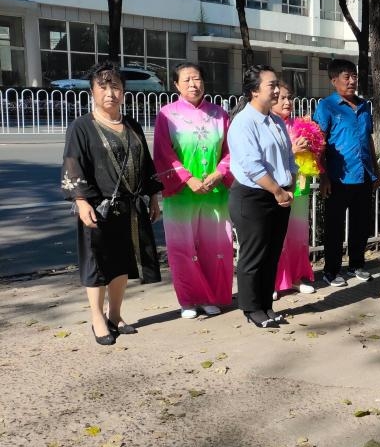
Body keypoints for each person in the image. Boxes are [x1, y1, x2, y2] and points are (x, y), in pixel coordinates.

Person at [61, 62, 161, 345]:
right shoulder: (81, 127)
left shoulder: (132, 125)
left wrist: (153, 196)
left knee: (122, 263)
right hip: (97, 208)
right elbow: (73, 164)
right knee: (98, 265)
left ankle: (115, 315)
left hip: (129, 208)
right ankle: (97, 318)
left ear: (124, 92)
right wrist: (81, 201)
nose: (110, 93)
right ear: (92, 91)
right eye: (103, 87)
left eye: (115, 86)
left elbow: (146, 163)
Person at [153, 62, 233, 320]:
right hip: (181, 193)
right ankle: (189, 298)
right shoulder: (167, 115)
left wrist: (220, 173)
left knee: (216, 245)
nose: (192, 84)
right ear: (176, 85)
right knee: (182, 247)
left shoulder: (220, 114)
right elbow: (163, 154)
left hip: (215, 192)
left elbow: (231, 150)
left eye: (196, 78)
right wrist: (187, 179)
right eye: (186, 80)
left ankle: (211, 297)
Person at [227, 66, 296, 329]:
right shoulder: (244, 123)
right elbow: (252, 166)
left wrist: (289, 184)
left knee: (272, 254)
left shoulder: (276, 121)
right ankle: (251, 307)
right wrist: (277, 191)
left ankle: (266, 304)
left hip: (279, 195)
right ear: (254, 91)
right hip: (253, 197)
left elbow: (287, 157)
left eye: (277, 84)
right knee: (254, 255)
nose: (277, 90)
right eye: (271, 85)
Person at [313, 58, 380, 287]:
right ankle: (331, 270)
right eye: (346, 77)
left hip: (363, 175)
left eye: (354, 76)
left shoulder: (364, 106)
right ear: (334, 80)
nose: (352, 81)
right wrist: (323, 176)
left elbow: (368, 140)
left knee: (360, 225)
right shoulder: (327, 106)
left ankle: (356, 264)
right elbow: (319, 143)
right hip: (338, 177)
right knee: (334, 227)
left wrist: (375, 169)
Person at [272, 82, 324, 298]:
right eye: (282, 98)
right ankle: (273, 281)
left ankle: (295, 277)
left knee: (297, 234)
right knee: (275, 235)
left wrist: (314, 144)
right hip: (274, 188)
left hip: (300, 187)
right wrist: (292, 149)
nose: (287, 102)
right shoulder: (268, 125)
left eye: (290, 97)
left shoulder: (299, 124)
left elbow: (317, 150)